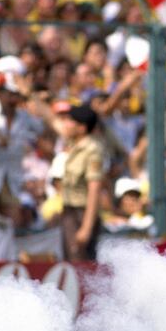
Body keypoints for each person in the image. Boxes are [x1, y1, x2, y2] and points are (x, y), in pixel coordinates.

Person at [60, 104, 104, 260]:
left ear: (81, 128)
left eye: (69, 121)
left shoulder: (92, 149)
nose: (65, 124)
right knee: (70, 261)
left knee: (80, 262)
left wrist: (86, 227)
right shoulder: (74, 144)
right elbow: (51, 120)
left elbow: (94, 189)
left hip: (81, 213)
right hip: (69, 211)